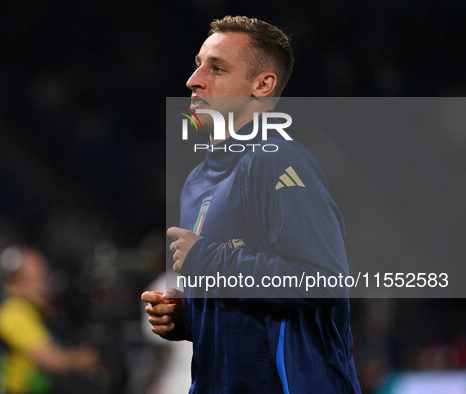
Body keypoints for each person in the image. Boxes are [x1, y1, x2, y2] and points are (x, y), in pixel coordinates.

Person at [142, 15, 361, 393]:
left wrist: (208, 259)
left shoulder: (277, 160)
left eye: (218, 68)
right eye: (197, 65)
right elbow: (249, 306)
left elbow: (323, 281)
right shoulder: (196, 181)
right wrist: (189, 316)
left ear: (262, 84)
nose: (194, 80)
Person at [0, 246, 98, 394]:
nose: (46, 284)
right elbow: (46, 358)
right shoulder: (12, 313)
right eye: (39, 278)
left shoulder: (37, 310)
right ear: (16, 280)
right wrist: (80, 359)